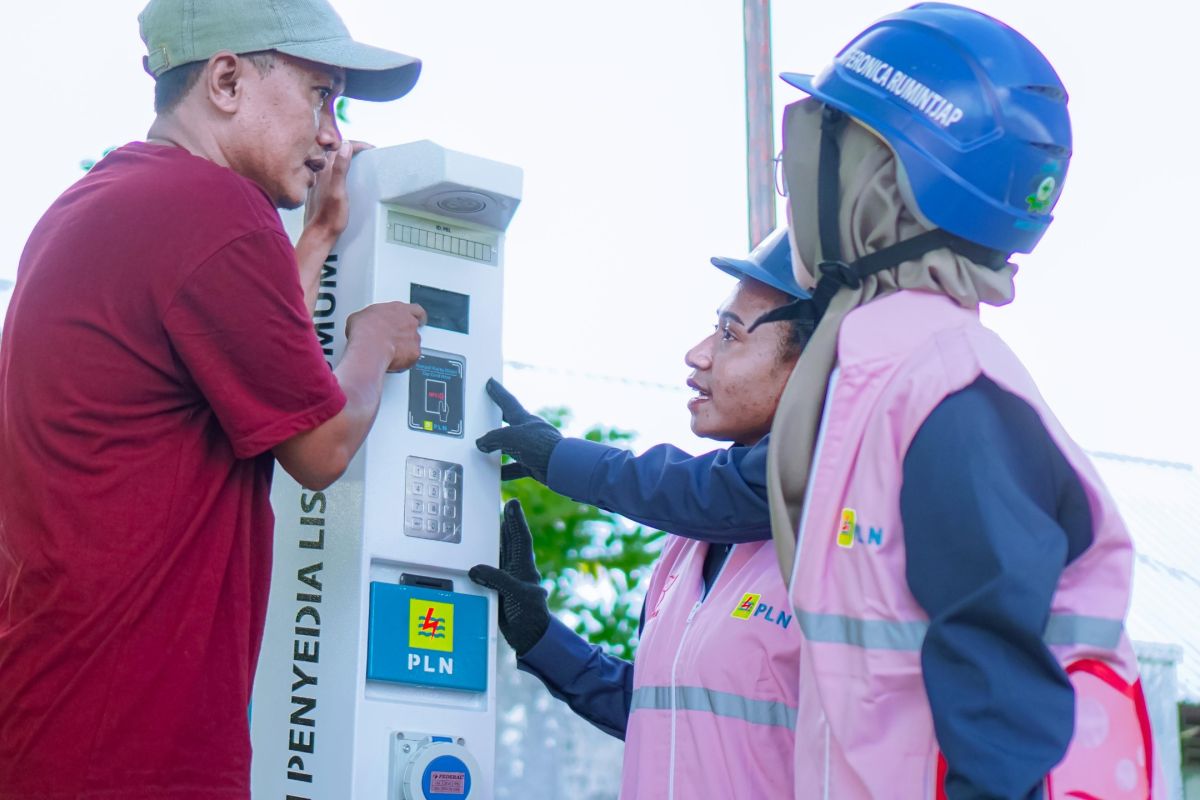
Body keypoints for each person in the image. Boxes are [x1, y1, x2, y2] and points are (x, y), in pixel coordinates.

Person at [0, 1, 425, 797]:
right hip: (139, 746)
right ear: (227, 79)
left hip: (54, 719)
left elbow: (238, 352)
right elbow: (321, 446)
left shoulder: (99, 202)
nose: (331, 133)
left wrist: (319, 239)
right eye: (319, 94)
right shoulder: (217, 211)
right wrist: (375, 341)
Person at [766, 4, 1157, 799]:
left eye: (817, 144)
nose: (794, 175)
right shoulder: (879, 371)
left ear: (882, 187)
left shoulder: (945, 390)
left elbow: (1000, 718)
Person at [469, 230, 812, 799]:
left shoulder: (834, 522)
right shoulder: (689, 544)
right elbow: (666, 718)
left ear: (811, 366)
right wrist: (540, 637)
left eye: (729, 335)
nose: (698, 354)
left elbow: (714, 489)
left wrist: (563, 459)